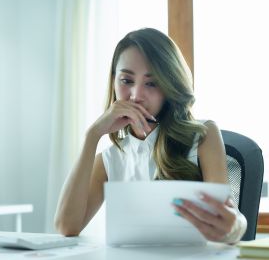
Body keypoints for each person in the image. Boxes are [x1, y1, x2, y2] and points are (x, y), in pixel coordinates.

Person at [54, 28, 247, 243]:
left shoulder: (203, 135)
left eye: (151, 83)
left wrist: (236, 226)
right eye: (126, 81)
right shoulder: (110, 159)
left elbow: (229, 215)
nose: (136, 96)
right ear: (114, 81)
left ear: (169, 86)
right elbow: (66, 226)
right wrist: (92, 136)